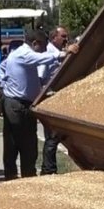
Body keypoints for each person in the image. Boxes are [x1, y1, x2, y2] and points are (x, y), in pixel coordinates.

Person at [0, 28, 73, 180]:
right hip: (17, 106)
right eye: (43, 46)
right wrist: (65, 53)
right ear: (35, 43)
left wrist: (3, 84)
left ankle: (21, 176)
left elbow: (3, 67)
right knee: (23, 144)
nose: (45, 49)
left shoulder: (17, 54)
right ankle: (21, 177)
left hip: (21, 104)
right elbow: (42, 59)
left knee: (21, 143)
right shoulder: (24, 54)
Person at [38, 26, 70, 175]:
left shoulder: (58, 53)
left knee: (56, 135)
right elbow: (40, 76)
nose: (66, 39)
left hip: (58, 97)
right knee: (51, 136)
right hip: (49, 97)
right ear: (54, 38)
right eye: (63, 36)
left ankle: (49, 167)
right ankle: (48, 170)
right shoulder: (48, 54)